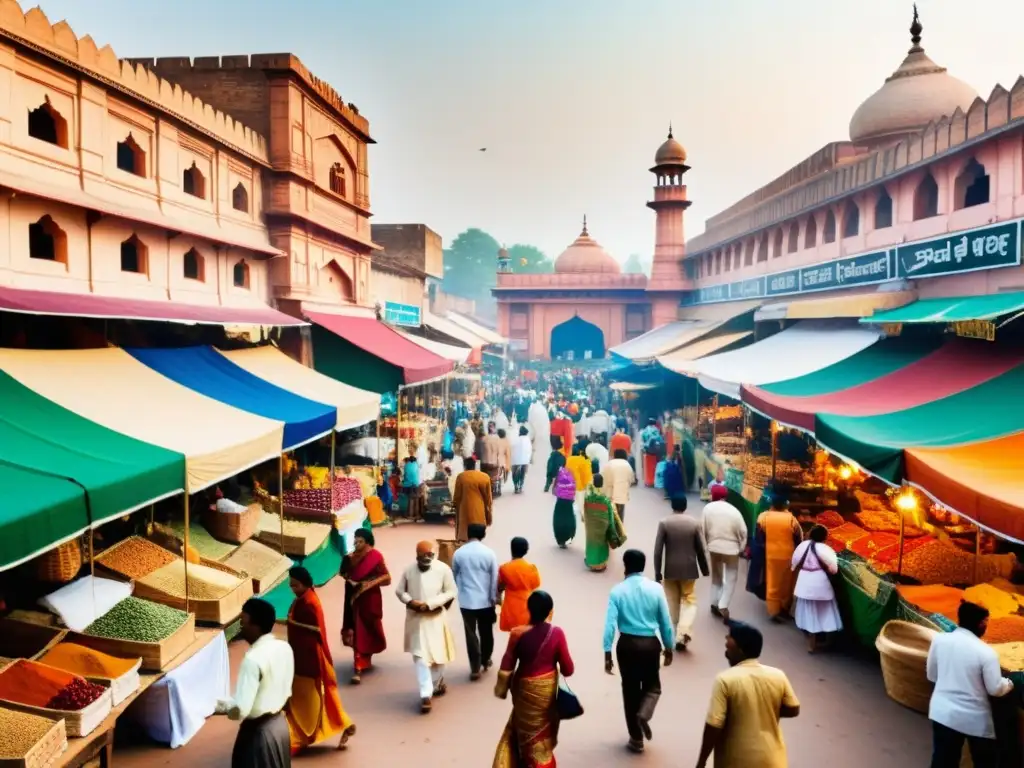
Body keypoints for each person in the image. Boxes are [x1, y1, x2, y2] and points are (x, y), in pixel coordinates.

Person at [696, 620, 800, 768]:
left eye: (730, 639)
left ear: (741, 649)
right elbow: (793, 708)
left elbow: (714, 725)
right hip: (773, 760)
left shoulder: (725, 679)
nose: (726, 642)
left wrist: (702, 760)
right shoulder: (778, 675)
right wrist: (765, 710)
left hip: (736, 760)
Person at [492, 591, 575, 767]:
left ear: (528, 609)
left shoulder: (517, 634)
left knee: (523, 732)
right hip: (547, 694)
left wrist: (501, 690)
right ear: (550, 612)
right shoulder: (557, 633)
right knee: (540, 738)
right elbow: (568, 669)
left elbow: (506, 666)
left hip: (523, 693)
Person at [926, 600, 1014, 767]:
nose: (985, 626)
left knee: (943, 760)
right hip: (973, 719)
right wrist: (1009, 683)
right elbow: (995, 688)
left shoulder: (940, 640)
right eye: (985, 622)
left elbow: (932, 675)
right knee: (984, 761)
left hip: (942, 712)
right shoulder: (986, 653)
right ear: (980, 623)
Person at [603, 549, 674, 754]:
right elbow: (665, 622)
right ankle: (644, 713)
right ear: (643, 566)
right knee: (653, 686)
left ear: (625, 565)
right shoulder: (656, 589)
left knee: (630, 690)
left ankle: (636, 738)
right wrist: (668, 646)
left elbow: (610, 625)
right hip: (650, 645)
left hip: (626, 645)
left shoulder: (617, 591)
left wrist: (607, 653)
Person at [283, 567, 356, 753]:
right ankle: (341, 724)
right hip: (300, 657)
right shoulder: (302, 599)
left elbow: (314, 631)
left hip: (308, 660)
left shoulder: (309, 603)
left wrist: (290, 623)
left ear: (305, 583)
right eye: (291, 586)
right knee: (308, 698)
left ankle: (302, 736)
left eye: (296, 585)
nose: (293, 589)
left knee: (308, 699)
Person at [215, 598, 294, 768]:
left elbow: (241, 710)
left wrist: (215, 707)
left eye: (243, 621)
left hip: (258, 735)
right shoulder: (284, 648)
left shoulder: (252, 660)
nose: (240, 626)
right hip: (280, 728)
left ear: (255, 625)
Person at [395, 541, 458, 713]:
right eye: (423, 556)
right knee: (420, 657)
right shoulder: (409, 570)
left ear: (434, 555)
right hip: (416, 619)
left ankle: (436, 684)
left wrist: (430, 604)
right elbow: (400, 591)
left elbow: (451, 591)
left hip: (436, 617)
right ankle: (425, 695)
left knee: (439, 656)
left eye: (429, 555)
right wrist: (411, 601)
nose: (426, 558)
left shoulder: (443, 569)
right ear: (417, 556)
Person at [653, 494, 709, 651]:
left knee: (672, 602)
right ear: (685, 506)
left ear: (672, 506)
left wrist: (658, 572)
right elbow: (701, 548)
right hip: (690, 570)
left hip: (670, 570)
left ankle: (675, 634)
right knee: (689, 600)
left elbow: (658, 551)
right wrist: (704, 569)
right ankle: (683, 632)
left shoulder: (664, 523)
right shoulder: (694, 523)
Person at [340, 528, 391, 683]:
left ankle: (365, 658)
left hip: (370, 599)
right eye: (355, 539)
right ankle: (358, 666)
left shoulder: (375, 557)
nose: (356, 542)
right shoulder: (349, 558)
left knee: (369, 628)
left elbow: (387, 577)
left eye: (360, 540)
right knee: (356, 628)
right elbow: (344, 573)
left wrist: (365, 585)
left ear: (367, 542)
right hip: (353, 599)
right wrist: (350, 580)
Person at [452, 523, 499, 681]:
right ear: (483, 534)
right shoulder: (489, 553)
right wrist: (493, 598)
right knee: (486, 632)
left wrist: (461, 590)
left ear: (468, 533)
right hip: (485, 600)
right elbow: (494, 578)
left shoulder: (459, 553)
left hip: (466, 601)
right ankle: (486, 659)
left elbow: (455, 575)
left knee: (470, 634)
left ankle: (474, 667)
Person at [791, 524, 843, 653]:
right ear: (825, 537)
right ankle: (828, 642)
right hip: (820, 584)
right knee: (827, 613)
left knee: (808, 614)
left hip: (804, 583)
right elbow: (834, 570)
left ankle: (811, 644)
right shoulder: (826, 549)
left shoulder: (802, 546)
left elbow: (793, 565)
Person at [701, 484, 748, 622]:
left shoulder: (707, 509)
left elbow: (702, 529)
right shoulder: (734, 511)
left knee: (716, 576)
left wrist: (705, 547)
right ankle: (723, 604)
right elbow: (743, 532)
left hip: (713, 547)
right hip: (731, 549)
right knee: (731, 577)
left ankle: (714, 602)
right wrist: (741, 548)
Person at [755, 491, 803, 621]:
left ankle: (773, 610)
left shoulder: (763, 517)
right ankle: (784, 607)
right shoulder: (792, 519)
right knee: (787, 583)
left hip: (770, 555)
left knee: (772, 582)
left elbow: (758, 537)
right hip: (788, 555)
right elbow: (799, 538)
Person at [583, 474, 626, 572]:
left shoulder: (588, 497)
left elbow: (585, 511)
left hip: (591, 525)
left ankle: (591, 562)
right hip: (603, 525)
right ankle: (601, 565)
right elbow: (610, 516)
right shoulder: (605, 500)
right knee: (602, 542)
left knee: (591, 541)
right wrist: (612, 527)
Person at [498, 537, 542, 631]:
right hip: (528, 606)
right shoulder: (531, 568)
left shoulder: (504, 568)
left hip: (511, 608)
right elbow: (536, 584)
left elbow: (499, 586)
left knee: (514, 634)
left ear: (511, 549)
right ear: (526, 551)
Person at [453, 456, 493, 542]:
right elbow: (488, 498)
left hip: (465, 510)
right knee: (478, 534)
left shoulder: (461, 477)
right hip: (479, 510)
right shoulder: (484, 477)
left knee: (465, 535)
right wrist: (489, 514)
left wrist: (455, 506)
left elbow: (457, 497)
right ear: (475, 465)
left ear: (465, 466)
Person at [603, 448, 636, 521]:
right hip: (621, 491)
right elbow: (631, 478)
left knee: (610, 509)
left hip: (610, 492)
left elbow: (604, 477)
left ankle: (611, 524)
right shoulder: (627, 464)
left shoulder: (609, 463)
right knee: (620, 511)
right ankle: (620, 526)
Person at [551, 465, 577, 549]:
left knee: (558, 518)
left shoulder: (560, 471)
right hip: (569, 499)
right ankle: (568, 537)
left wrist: (555, 490)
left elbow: (554, 485)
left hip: (560, 499)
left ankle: (560, 540)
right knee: (569, 518)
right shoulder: (574, 470)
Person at [565, 444, 593, 517]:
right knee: (581, 503)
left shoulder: (568, 459)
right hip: (581, 485)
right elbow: (586, 473)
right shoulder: (584, 460)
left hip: (570, 485)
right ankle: (583, 515)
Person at [481, 422, 503, 497]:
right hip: (493, 462)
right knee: (494, 476)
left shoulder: (484, 438)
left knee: (486, 476)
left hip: (484, 462)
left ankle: (487, 490)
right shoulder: (497, 439)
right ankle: (491, 490)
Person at [639, 418, 663, 487]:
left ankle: (647, 479)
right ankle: (654, 480)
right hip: (655, 451)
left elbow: (643, 439)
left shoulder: (645, 430)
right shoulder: (656, 430)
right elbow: (659, 439)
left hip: (646, 451)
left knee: (645, 465)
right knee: (655, 465)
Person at [511, 425, 532, 494]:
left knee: (514, 473)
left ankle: (516, 486)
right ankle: (520, 486)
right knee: (523, 474)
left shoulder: (516, 439)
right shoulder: (528, 439)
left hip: (515, 460)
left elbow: (512, 447)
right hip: (525, 461)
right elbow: (530, 450)